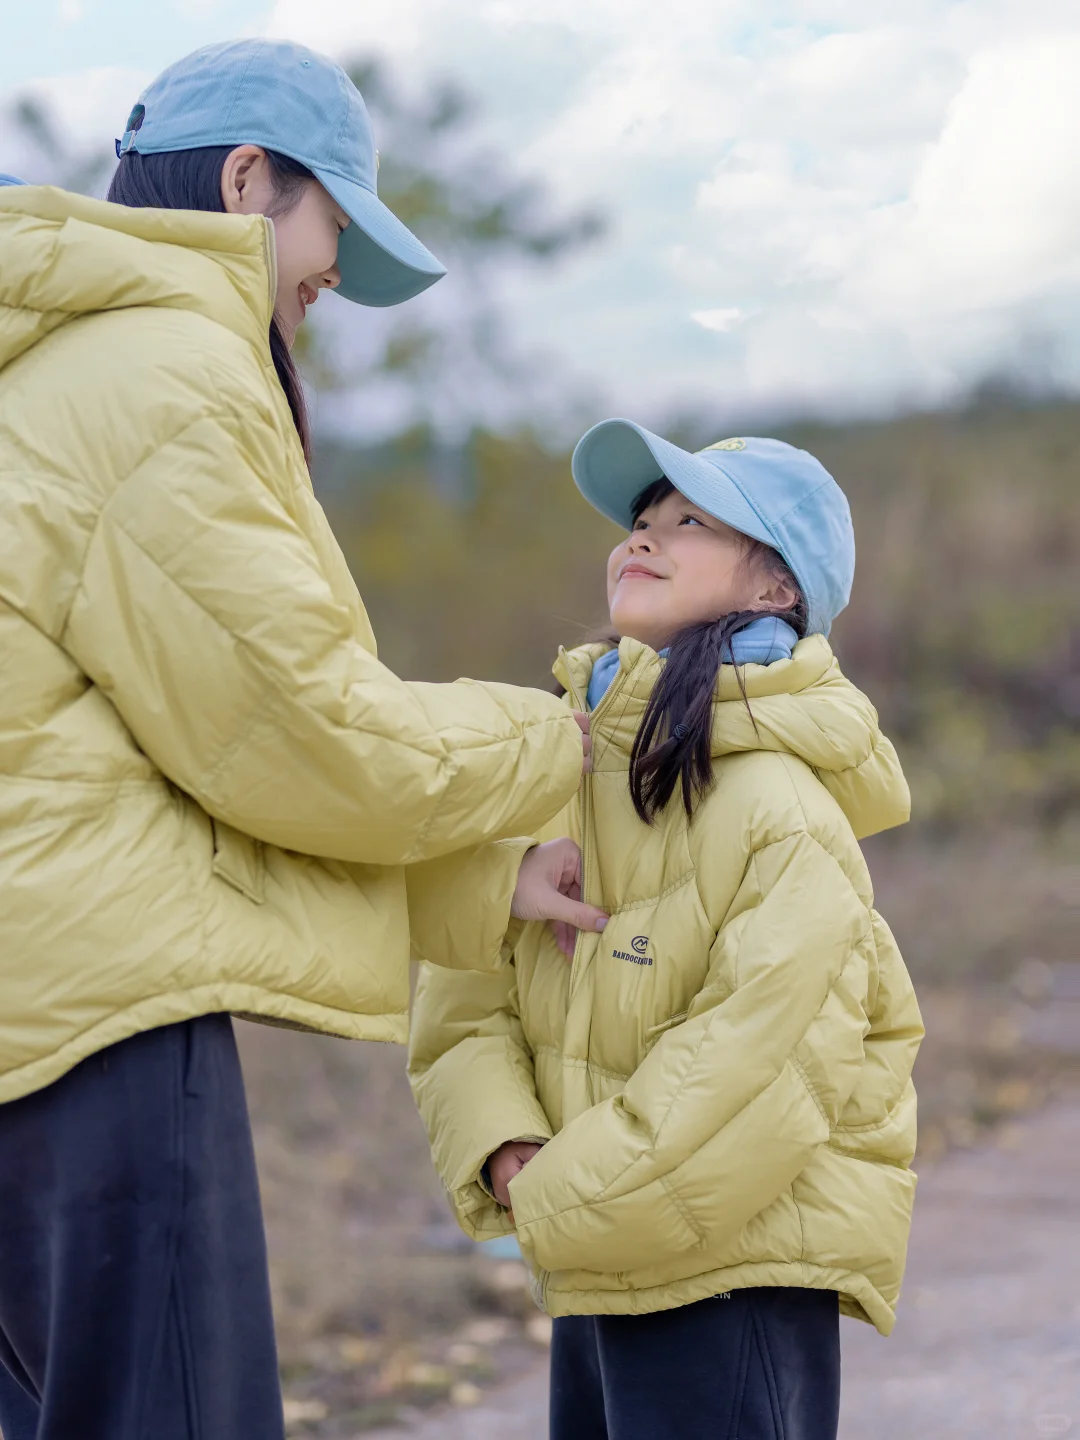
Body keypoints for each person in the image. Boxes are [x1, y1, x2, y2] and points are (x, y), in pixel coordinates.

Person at [0, 40, 606, 1440]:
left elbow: (164, 762)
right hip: (99, 1038)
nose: (330, 281)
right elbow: (310, 740)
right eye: (336, 226)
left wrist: (479, 882)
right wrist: (553, 739)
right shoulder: (161, 374)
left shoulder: (44, 367)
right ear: (245, 180)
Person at [409, 422, 924, 1439]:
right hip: (600, 1246)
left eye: (691, 522)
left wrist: (562, 1197)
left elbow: (755, 1065)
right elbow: (467, 984)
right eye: (642, 519)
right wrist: (509, 1145)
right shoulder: (563, 768)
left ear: (776, 587)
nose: (643, 537)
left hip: (731, 1264)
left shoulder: (780, 805)